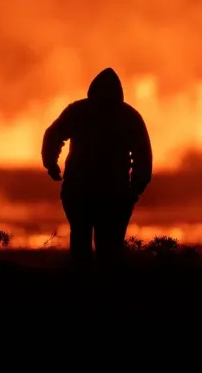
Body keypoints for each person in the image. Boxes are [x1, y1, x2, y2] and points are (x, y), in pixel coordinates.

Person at [41, 68, 152, 267]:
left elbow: (53, 135)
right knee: (109, 252)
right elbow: (143, 158)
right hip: (110, 193)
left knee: (81, 245)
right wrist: (134, 190)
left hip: (84, 191)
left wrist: (51, 163)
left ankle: (83, 290)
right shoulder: (129, 116)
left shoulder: (79, 110)